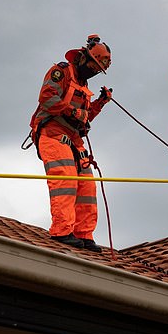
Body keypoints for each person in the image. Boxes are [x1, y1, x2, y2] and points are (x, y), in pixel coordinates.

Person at [28, 35, 112, 252]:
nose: (94, 72)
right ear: (84, 58)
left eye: (98, 70)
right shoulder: (62, 71)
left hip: (73, 140)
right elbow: (47, 98)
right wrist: (73, 111)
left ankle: (84, 234)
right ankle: (62, 231)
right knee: (65, 180)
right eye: (93, 66)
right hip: (53, 134)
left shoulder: (83, 86)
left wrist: (100, 103)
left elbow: (84, 118)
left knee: (87, 186)